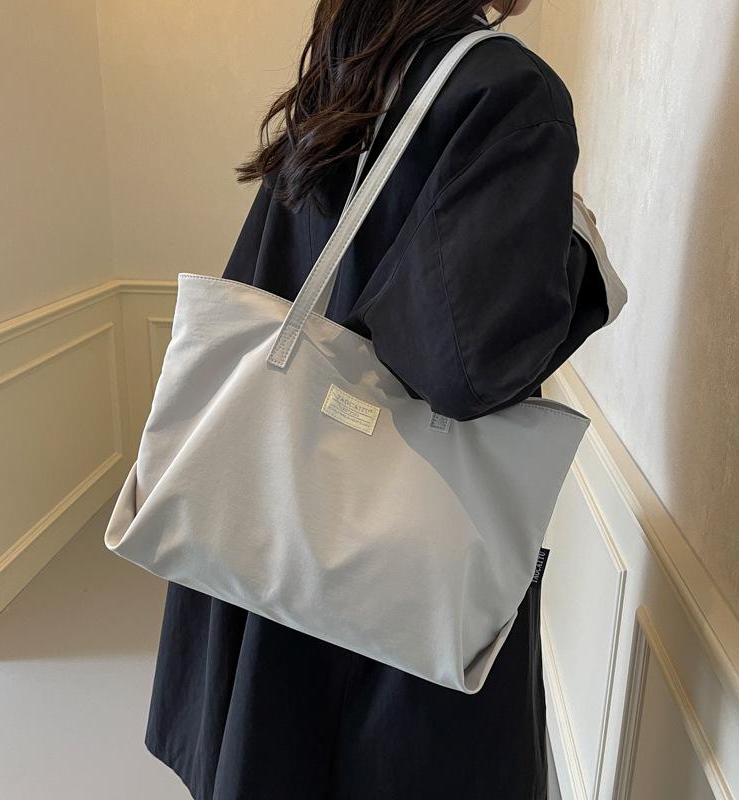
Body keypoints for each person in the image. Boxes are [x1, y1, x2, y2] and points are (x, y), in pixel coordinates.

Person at [143, 2, 627, 798]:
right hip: (393, 578)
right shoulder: (506, 89)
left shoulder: (347, 70)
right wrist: (573, 250)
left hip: (272, 527)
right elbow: (463, 365)